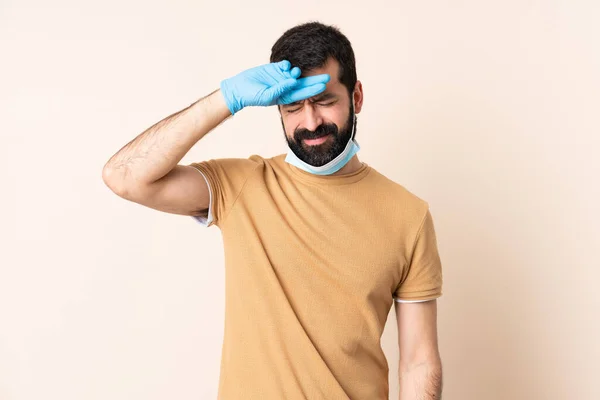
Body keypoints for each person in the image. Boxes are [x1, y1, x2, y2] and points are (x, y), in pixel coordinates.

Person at [103, 21, 443, 400]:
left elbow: (418, 361)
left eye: (325, 101)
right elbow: (124, 177)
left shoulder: (408, 215)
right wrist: (226, 99)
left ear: (356, 96)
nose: (310, 122)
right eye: (293, 106)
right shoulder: (242, 185)